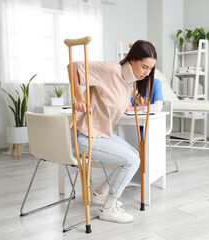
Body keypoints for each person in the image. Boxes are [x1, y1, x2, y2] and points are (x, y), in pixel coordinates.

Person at [70, 40, 157, 223]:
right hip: (85, 136)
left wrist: (137, 101)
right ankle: (108, 208)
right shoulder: (109, 70)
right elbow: (72, 67)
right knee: (132, 160)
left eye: (150, 69)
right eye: (144, 67)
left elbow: (114, 98)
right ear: (132, 60)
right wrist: (79, 98)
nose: (146, 73)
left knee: (134, 155)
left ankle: (101, 193)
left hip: (100, 133)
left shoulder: (128, 83)